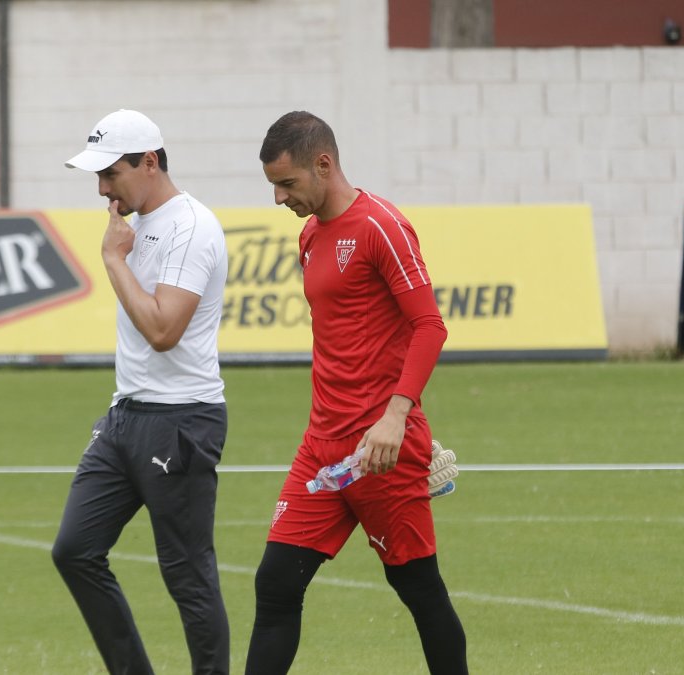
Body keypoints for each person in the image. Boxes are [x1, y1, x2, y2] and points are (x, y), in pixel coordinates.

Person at [244, 111, 467, 674]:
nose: (278, 198)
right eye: (273, 185)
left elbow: (429, 326)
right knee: (274, 584)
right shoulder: (310, 236)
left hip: (381, 451)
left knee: (418, 588)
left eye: (287, 184)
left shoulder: (382, 226)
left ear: (324, 164)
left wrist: (397, 418)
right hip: (322, 448)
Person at [52, 109, 230, 675]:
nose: (103, 189)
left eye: (111, 174)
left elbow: (162, 330)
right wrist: (119, 253)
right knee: (75, 550)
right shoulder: (134, 226)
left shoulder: (191, 227)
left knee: (187, 574)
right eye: (97, 177)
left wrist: (112, 259)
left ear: (149, 163)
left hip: (181, 422)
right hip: (125, 417)